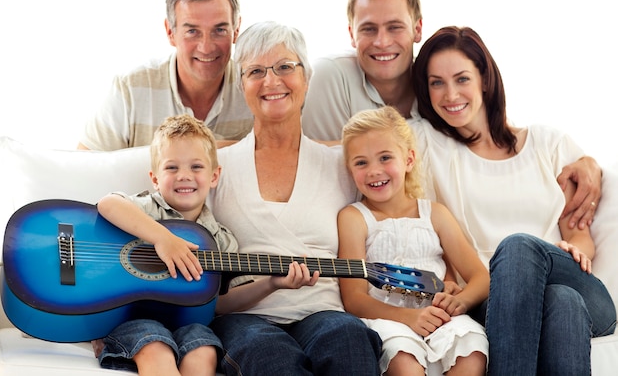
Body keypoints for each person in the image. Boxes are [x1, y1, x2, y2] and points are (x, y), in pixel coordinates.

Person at [301, 0, 601, 230]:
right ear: (352, 34)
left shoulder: (436, 85)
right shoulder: (331, 76)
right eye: (368, 29)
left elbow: (491, 134)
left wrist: (586, 162)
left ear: (417, 29)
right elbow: (312, 157)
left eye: (394, 26)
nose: (382, 42)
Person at [412, 26, 617, 375]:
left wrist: (577, 247)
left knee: (523, 249)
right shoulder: (428, 143)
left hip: (576, 284)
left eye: (462, 79)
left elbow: (579, 231)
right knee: (561, 303)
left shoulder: (547, 144)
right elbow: (354, 142)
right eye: (436, 83)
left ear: (485, 80)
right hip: (492, 301)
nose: (450, 94)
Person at [206, 21, 382, 375]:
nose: (271, 81)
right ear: (242, 85)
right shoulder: (215, 168)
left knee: (348, 338)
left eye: (285, 67)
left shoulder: (342, 165)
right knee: (270, 355)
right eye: (256, 71)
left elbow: (393, 216)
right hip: (246, 318)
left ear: (307, 77)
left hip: (323, 312)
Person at [94, 114, 313, 375]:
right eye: (172, 168)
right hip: (134, 316)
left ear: (214, 176)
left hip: (189, 323)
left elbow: (220, 304)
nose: (184, 176)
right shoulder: (148, 209)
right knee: (155, 347)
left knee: (204, 349)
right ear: (154, 178)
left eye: (196, 167)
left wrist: (273, 283)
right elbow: (108, 204)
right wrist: (163, 239)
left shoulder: (220, 239)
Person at [339, 106, 489, 376]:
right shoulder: (354, 218)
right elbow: (354, 298)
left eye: (385, 158)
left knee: (472, 349)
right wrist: (410, 318)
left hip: (439, 315)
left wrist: (462, 301)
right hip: (386, 318)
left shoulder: (435, 214)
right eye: (361, 162)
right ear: (349, 170)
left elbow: (480, 276)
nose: (374, 171)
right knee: (403, 361)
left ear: (408, 160)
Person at [78, 0, 253, 151]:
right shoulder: (131, 88)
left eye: (219, 30)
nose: (206, 47)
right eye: (192, 31)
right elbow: (85, 165)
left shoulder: (255, 87)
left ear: (236, 29)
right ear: (170, 32)